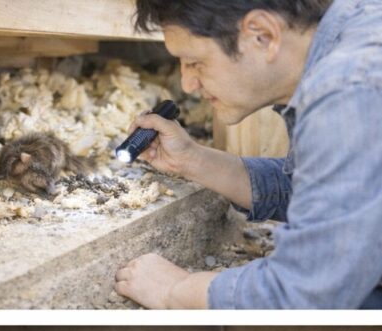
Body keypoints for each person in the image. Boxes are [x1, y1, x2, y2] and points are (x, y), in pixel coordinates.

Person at [114, 0, 382, 309]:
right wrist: (191, 159)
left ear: (262, 35)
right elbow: (329, 197)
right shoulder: (351, 37)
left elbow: (306, 294)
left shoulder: (349, 88)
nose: (187, 85)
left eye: (195, 62)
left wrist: (176, 290)